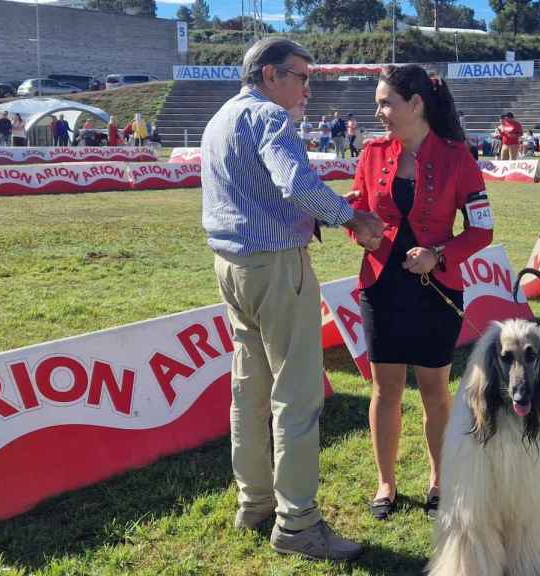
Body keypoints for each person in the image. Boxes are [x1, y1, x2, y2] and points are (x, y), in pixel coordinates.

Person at [201, 37, 382, 561]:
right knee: (297, 397)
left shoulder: (221, 119)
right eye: (301, 76)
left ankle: (254, 503)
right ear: (270, 75)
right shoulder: (269, 119)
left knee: (248, 389)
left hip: (232, 267)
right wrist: (351, 218)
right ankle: (298, 522)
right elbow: (293, 181)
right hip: (277, 266)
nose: (308, 86)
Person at [349, 64, 492, 522]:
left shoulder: (457, 156)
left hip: (437, 291)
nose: (379, 112)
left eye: (386, 102)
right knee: (384, 389)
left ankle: (439, 479)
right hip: (381, 288)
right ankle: (385, 483)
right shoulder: (371, 153)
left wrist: (439, 253)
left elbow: (482, 229)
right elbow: (356, 210)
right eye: (377, 103)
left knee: (435, 391)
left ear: (416, 104)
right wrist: (362, 234)